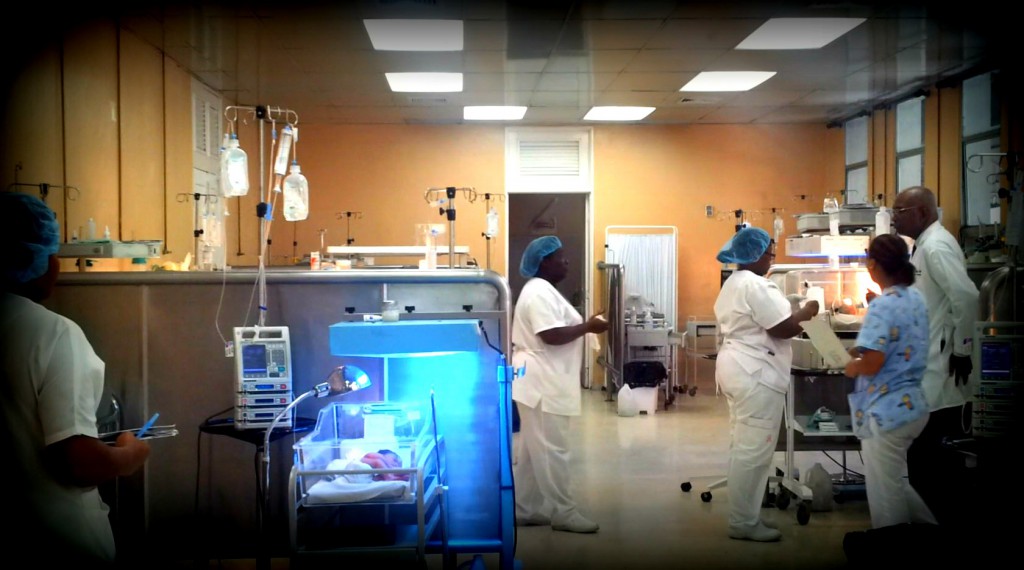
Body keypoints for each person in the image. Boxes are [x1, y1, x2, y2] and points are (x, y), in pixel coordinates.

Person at [1, 192, 151, 565]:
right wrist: (129, 455)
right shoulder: (52, 334)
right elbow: (79, 463)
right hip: (57, 542)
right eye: (53, 254)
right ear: (37, 260)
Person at [713, 226, 819, 542]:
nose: (771, 260)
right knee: (754, 449)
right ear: (756, 254)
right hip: (755, 374)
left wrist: (789, 305)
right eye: (769, 255)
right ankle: (743, 522)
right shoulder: (756, 285)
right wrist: (807, 311)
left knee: (743, 444)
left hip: (737, 367)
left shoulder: (734, 282)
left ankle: (743, 515)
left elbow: (760, 319)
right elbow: (782, 328)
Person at [891, 186, 979, 526]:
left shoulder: (937, 246)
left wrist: (962, 349)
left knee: (932, 459)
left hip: (941, 369)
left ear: (923, 213)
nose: (894, 217)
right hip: (926, 366)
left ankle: (941, 528)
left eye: (900, 211)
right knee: (922, 458)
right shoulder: (923, 247)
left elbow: (967, 297)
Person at [511, 235, 608, 534]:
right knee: (553, 449)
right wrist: (589, 327)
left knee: (533, 450)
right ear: (544, 262)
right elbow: (551, 335)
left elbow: (559, 327)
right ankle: (564, 512)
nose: (566, 261)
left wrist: (586, 324)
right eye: (560, 257)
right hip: (542, 380)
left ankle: (525, 509)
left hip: (541, 378)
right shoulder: (538, 292)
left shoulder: (544, 290)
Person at [843, 234, 937, 529]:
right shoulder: (915, 298)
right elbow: (899, 342)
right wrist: (861, 351)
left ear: (872, 265)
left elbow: (872, 364)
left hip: (887, 412)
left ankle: (891, 549)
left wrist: (852, 367)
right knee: (894, 483)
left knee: (885, 497)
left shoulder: (882, 305)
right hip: (913, 406)